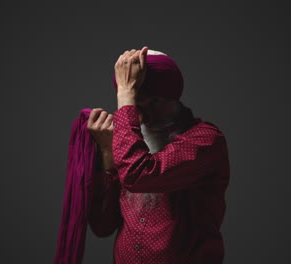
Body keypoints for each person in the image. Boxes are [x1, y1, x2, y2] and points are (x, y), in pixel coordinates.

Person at [87, 47, 230, 264]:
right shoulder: (125, 139)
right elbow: (102, 226)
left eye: (151, 101)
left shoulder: (206, 140)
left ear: (173, 96)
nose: (139, 113)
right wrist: (107, 153)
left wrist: (126, 94)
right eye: (136, 103)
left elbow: (139, 175)